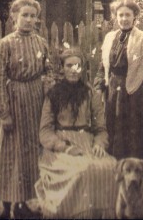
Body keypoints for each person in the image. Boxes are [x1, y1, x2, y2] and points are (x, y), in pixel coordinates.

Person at [35, 49, 117, 219]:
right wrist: (63, 147)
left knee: (110, 166)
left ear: (83, 69)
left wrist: (99, 144)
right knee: (82, 170)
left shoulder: (90, 93)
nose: (74, 70)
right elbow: (45, 130)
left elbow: (100, 128)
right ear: (62, 69)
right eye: (69, 65)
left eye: (78, 66)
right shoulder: (53, 95)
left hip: (87, 143)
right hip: (61, 148)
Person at [0, 0, 53, 219]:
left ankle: (23, 204)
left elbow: (49, 71)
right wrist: (3, 111)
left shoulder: (41, 42)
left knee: (29, 154)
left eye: (32, 16)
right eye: (24, 15)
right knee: (9, 154)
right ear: (14, 17)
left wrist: (48, 89)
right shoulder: (5, 44)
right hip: (13, 102)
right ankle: (6, 207)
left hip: (35, 102)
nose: (28, 19)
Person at [94, 0, 143, 169]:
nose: (124, 18)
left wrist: (139, 84)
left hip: (135, 93)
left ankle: (139, 173)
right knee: (114, 129)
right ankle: (116, 171)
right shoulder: (110, 37)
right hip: (113, 92)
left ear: (135, 16)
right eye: (120, 15)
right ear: (115, 17)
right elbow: (103, 66)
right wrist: (99, 86)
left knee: (135, 132)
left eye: (128, 15)